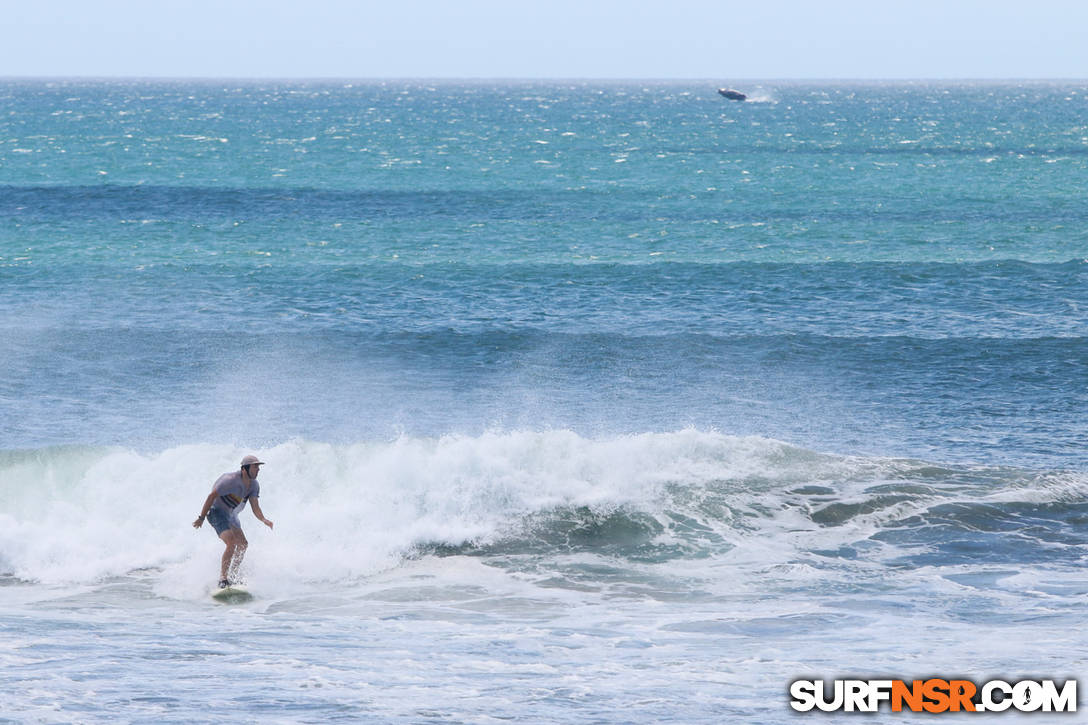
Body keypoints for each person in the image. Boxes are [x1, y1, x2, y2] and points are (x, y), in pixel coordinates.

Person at [193, 454, 274, 588]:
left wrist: (264, 519)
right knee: (231, 542)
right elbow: (211, 497)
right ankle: (223, 579)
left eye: (258, 467)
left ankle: (233, 576)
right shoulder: (229, 480)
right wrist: (201, 518)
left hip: (230, 516)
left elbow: (255, 507)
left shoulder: (254, 485)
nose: (258, 470)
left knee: (242, 544)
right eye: (255, 467)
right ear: (244, 469)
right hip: (216, 513)